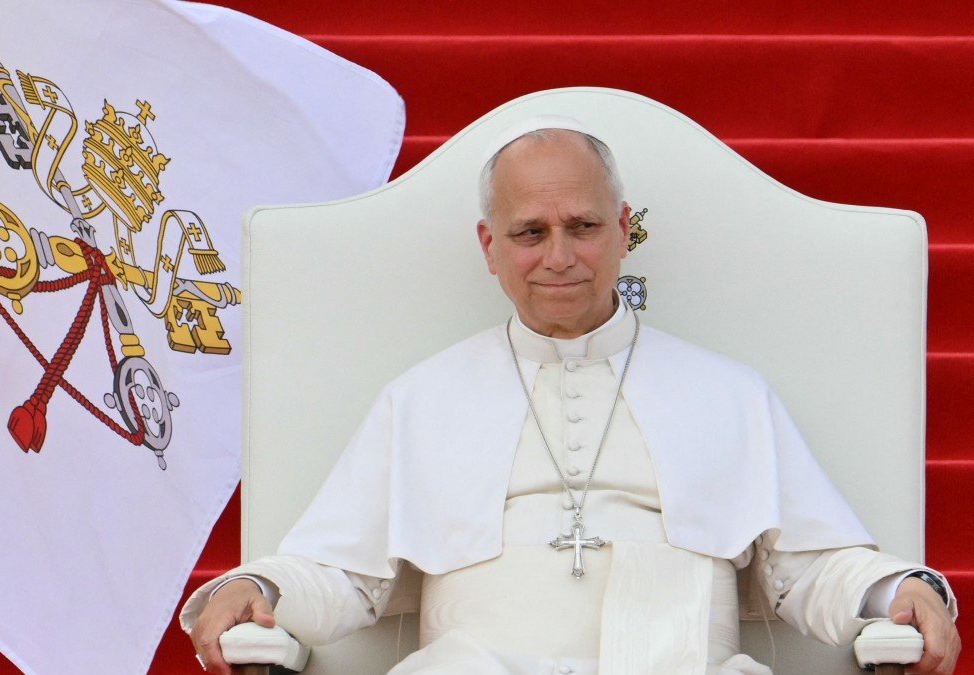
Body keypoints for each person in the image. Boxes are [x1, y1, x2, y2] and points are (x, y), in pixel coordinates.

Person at [181, 117, 960, 674]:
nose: (559, 257)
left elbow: (810, 567)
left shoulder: (727, 392)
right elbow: (346, 574)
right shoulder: (422, 397)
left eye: (583, 225)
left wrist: (898, 589)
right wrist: (261, 583)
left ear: (624, 230)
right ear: (491, 247)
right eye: (530, 232)